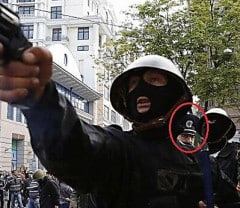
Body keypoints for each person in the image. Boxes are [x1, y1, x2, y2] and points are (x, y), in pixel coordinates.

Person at [0, 42, 239, 207]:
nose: (141, 90)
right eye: (133, 85)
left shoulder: (204, 162)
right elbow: (73, 146)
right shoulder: (119, 149)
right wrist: (41, 98)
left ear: (176, 94)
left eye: (154, 80)